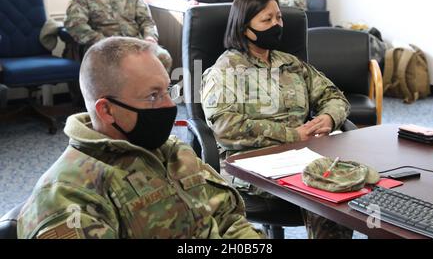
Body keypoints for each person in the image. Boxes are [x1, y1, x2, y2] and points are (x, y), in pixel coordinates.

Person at [17, 36, 263, 239]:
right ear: (107, 110)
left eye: (167, 90)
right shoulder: (68, 196)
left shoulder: (173, 152)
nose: (170, 105)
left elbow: (228, 219)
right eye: (153, 96)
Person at [201, 0, 353, 239]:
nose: (276, 25)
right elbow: (225, 127)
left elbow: (334, 96)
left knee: (349, 184)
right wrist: (292, 134)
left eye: (279, 18)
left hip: (303, 154)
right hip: (250, 163)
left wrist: (328, 118)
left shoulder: (291, 64)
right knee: (325, 190)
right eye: (267, 19)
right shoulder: (225, 70)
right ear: (244, 27)